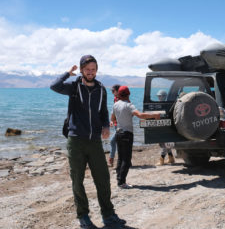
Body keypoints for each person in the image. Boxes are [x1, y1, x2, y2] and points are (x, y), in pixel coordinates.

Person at [50, 55, 126, 229]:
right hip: (76, 140)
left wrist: (106, 126)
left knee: (103, 178)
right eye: (87, 69)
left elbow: (103, 111)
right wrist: (67, 73)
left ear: (96, 70)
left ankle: (108, 214)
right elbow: (54, 86)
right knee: (77, 179)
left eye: (93, 69)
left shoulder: (101, 89)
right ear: (82, 70)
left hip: (94, 141)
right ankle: (83, 215)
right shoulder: (74, 86)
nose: (90, 72)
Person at [111, 86, 160, 189]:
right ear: (128, 94)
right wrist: (154, 115)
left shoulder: (115, 105)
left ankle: (119, 179)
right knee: (127, 159)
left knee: (120, 157)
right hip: (127, 134)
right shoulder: (129, 105)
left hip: (118, 133)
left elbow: (113, 118)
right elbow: (140, 115)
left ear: (119, 94)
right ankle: (122, 182)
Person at [155, 90, 175, 166]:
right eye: (158, 96)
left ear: (164, 97)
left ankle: (161, 159)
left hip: (166, 126)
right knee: (165, 143)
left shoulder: (167, 105)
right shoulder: (159, 105)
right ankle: (171, 158)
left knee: (165, 143)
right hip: (161, 126)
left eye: (160, 96)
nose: (159, 98)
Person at [108, 84, 121, 167]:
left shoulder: (123, 99)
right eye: (111, 91)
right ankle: (125, 161)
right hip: (116, 124)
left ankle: (111, 160)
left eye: (113, 91)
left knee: (113, 141)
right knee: (119, 142)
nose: (112, 92)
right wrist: (112, 121)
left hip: (121, 125)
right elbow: (115, 111)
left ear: (118, 91)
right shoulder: (115, 99)